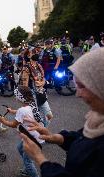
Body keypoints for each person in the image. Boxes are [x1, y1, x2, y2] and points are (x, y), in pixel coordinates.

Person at [21, 48, 104, 177]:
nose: (77, 94)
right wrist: (56, 138)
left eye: (82, 86)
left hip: (41, 95)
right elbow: (82, 138)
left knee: (48, 115)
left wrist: (40, 158)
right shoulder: (98, 118)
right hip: (35, 95)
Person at [0, 86, 44, 177]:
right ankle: (28, 168)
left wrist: (3, 121)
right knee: (20, 148)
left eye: (16, 95)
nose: (15, 97)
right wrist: (11, 111)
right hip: (36, 136)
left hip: (32, 140)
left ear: (20, 97)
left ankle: (31, 172)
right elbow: (21, 112)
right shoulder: (32, 103)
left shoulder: (22, 111)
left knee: (28, 162)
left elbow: (14, 124)